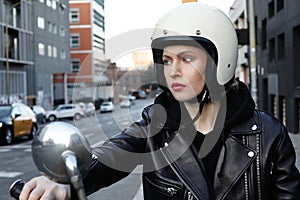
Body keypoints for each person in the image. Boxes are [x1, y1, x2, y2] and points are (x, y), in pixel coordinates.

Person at [19, 2, 300, 200]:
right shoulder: (156, 125)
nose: (173, 70)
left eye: (186, 58)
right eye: (166, 60)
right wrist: (66, 181)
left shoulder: (268, 135)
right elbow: (114, 153)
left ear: (220, 61)